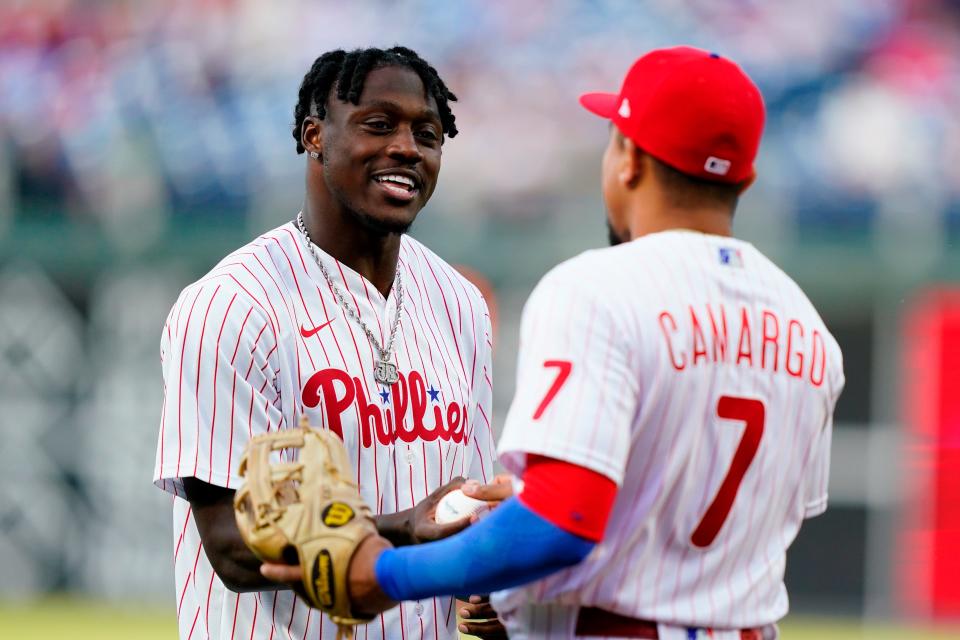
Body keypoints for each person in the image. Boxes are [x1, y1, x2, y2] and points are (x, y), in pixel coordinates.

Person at [265, 46, 845, 640]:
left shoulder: (596, 290)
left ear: (629, 160)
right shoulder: (809, 330)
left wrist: (387, 574)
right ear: (744, 178)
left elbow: (561, 521)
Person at [153, 46, 501, 640]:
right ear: (315, 135)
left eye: (428, 133)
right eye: (379, 124)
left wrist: (492, 592)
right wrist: (398, 533)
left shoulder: (459, 304)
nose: (406, 148)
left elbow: (465, 509)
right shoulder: (232, 304)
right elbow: (232, 546)